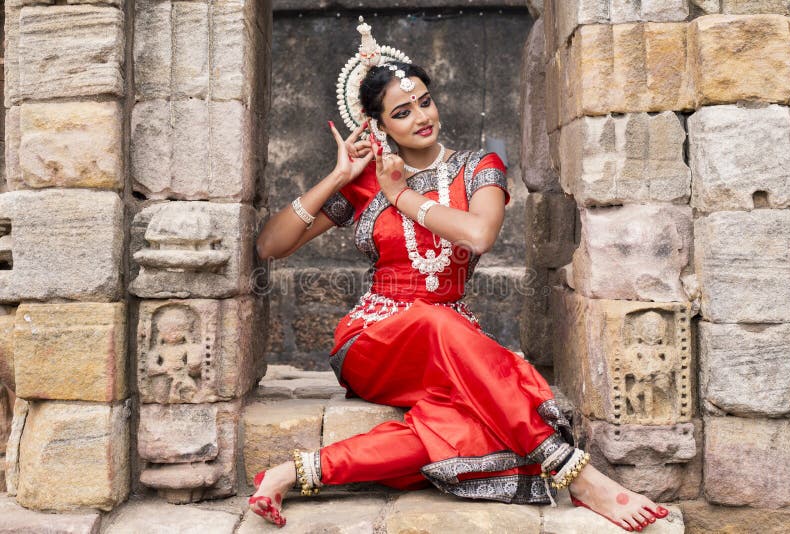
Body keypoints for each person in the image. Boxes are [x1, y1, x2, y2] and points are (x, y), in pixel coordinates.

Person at [249, 17, 671, 532]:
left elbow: (478, 235)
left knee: (464, 421)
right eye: (402, 113)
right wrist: (339, 175)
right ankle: (576, 475)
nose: (421, 117)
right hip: (374, 340)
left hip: (450, 340)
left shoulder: (479, 168)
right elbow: (271, 245)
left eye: (424, 101)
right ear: (380, 126)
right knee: (443, 329)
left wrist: (399, 194)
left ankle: (292, 473)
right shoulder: (361, 186)